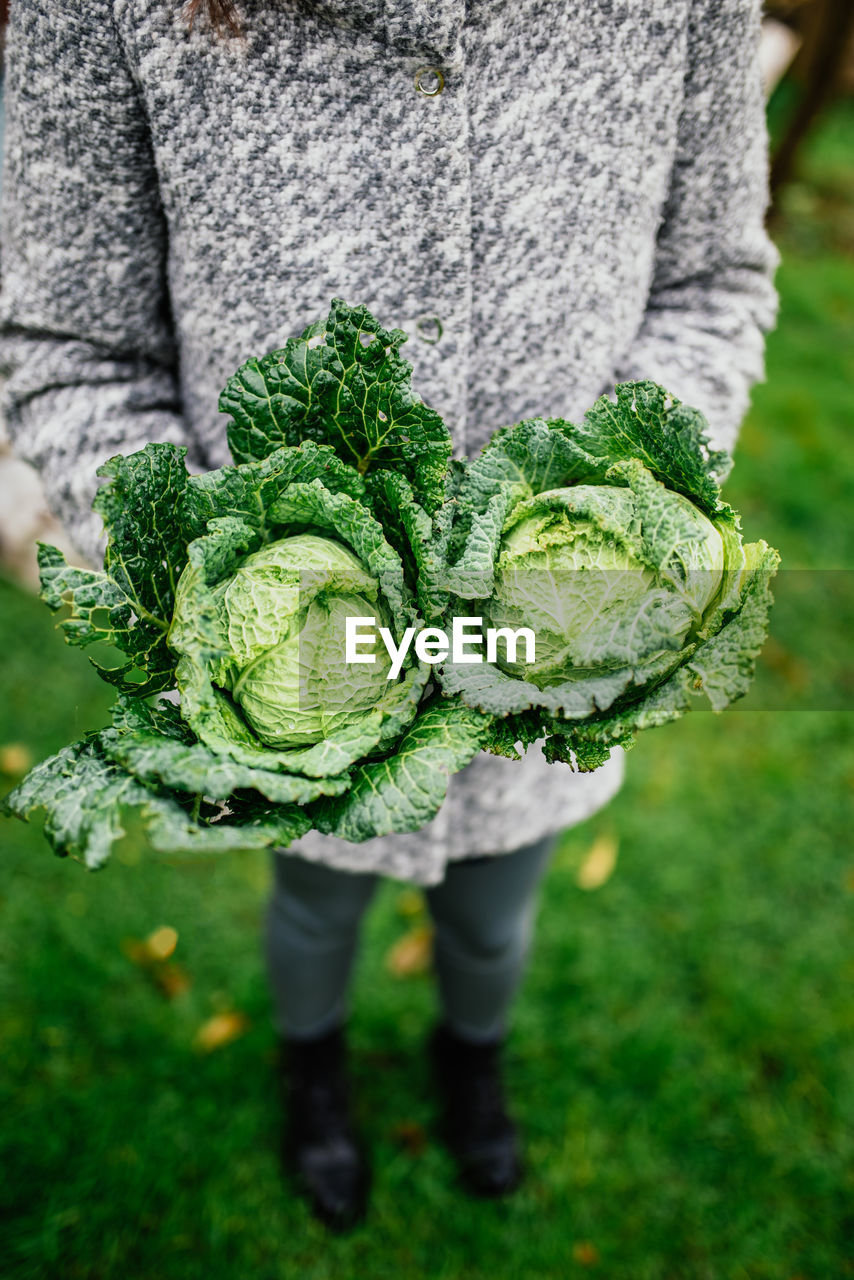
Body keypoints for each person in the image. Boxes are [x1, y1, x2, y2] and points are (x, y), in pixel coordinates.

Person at [0, 0, 778, 1234]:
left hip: (549, 648)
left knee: (495, 907)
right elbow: (71, 346)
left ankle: (471, 1058)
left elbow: (708, 282)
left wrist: (612, 527)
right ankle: (312, 1070)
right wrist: (228, 585)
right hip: (287, 669)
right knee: (310, 897)